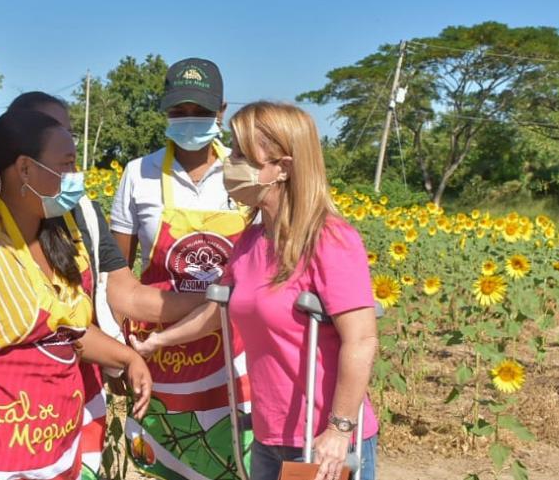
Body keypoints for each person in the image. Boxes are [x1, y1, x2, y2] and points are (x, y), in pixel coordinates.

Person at [0, 91, 204, 478]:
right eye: (67, 163)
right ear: (23, 167)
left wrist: (129, 357)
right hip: (2, 451)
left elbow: (68, 325)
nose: (77, 176)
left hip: (63, 436)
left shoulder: (72, 220)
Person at [132, 101, 380, 480]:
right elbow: (219, 312)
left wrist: (339, 428)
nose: (229, 162)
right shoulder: (251, 240)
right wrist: (158, 342)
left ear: (282, 167)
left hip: (319, 439)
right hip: (268, 434)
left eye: (241, 154)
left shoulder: (330, 239)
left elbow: (361, 339)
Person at [109, 57, 251, 480]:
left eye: (201, 113)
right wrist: (118, 356)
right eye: (179, 112)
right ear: (166, 110)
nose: (189, 121)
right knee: (162, 462)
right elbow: (118, 272)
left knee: (233, 460)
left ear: (221, 112)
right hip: (159, 355)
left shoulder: (243, 173)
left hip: (232, 353)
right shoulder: (139, 174)